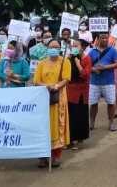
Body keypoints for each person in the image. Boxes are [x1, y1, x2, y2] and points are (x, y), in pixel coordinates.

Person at [34, 39, 71, 168]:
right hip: (44, 98)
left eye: (56, 47)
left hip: (58, 98)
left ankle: (56, 156)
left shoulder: (65, 61)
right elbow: (36, 81)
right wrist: (47, 86)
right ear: (47, 48)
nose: (53, 48)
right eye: (51, 46)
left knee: (57, 126)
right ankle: (42, 157)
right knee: (43, 125)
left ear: (60, 48)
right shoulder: (41, 63)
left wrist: (55, 86)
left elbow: (66, 79)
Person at [88, 33, 117, 132]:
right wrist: (93, 69)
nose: (105, 40)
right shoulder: (92, 52)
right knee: (93, 103)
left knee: (111, 103)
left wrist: (105, 67)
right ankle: (92, 122)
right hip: (94, 82)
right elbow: (87, 66)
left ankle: (111, 123)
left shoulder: (113, 50)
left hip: (109, 82)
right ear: (97, 39)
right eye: (102, 38)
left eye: (106, 38)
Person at [67, 39, 91, 149]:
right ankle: (70, 139)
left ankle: (79, 137)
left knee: (80, 115)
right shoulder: (68, 58)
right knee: (71, 116)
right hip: (70, 91)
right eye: (73, 45)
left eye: (76, 45)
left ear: (82, 47)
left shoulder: (86, 58)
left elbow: (85, 75)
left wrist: (78, 64)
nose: (74, 47)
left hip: (81, 92)